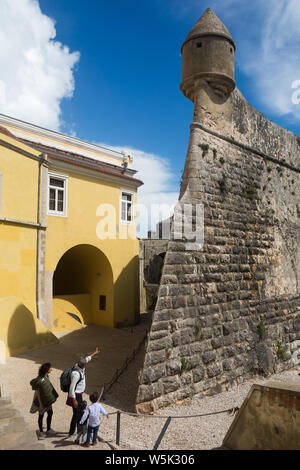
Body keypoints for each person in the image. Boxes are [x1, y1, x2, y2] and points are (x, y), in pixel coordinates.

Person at [68, 347, 99, 436]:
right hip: (76, 395)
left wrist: (95, 353)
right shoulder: (76, 374)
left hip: (79, 394)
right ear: (84, 365)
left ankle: (78, 430)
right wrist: (74, 400)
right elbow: (71, 388)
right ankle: (73, 431)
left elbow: (87, 358)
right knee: (77, 413)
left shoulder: (79, 365)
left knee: (79, 413)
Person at [30, 362, 59, 438]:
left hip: (47, 401)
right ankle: (41, 432)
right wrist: (41, 405)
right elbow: (38, 394)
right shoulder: (39, 380)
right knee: (41, 416)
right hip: (42, 402)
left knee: (50, 413)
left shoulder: (47, 376)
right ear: (47, 370)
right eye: (50, 368)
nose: (52, 369)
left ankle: (48, 429)